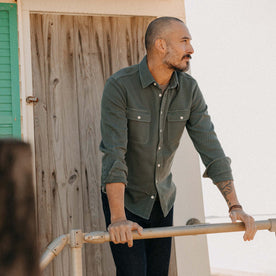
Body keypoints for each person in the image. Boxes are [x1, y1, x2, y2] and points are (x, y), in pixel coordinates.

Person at [100, 17, 256, 276]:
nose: (191, 49)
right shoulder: (119, 86)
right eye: (184, 41)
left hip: (162, 200)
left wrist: (234, 206)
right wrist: (117, 218)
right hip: (125, 201)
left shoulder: (189, 90)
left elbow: (211, 148)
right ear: (161, 45)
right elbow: (114, 154)